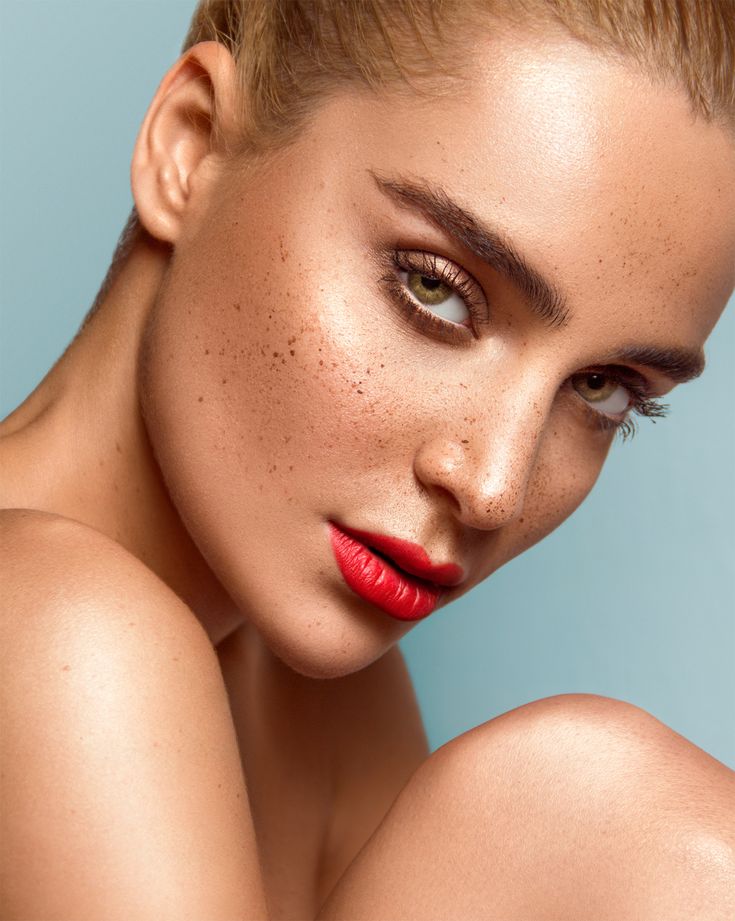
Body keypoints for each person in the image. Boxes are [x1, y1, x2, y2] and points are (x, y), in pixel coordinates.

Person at [1, 0, 733, 918]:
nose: (492, 487)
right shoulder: (51, 634)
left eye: (601, 388)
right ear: (190, 147)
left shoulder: (318, 700)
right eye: (437, 289)